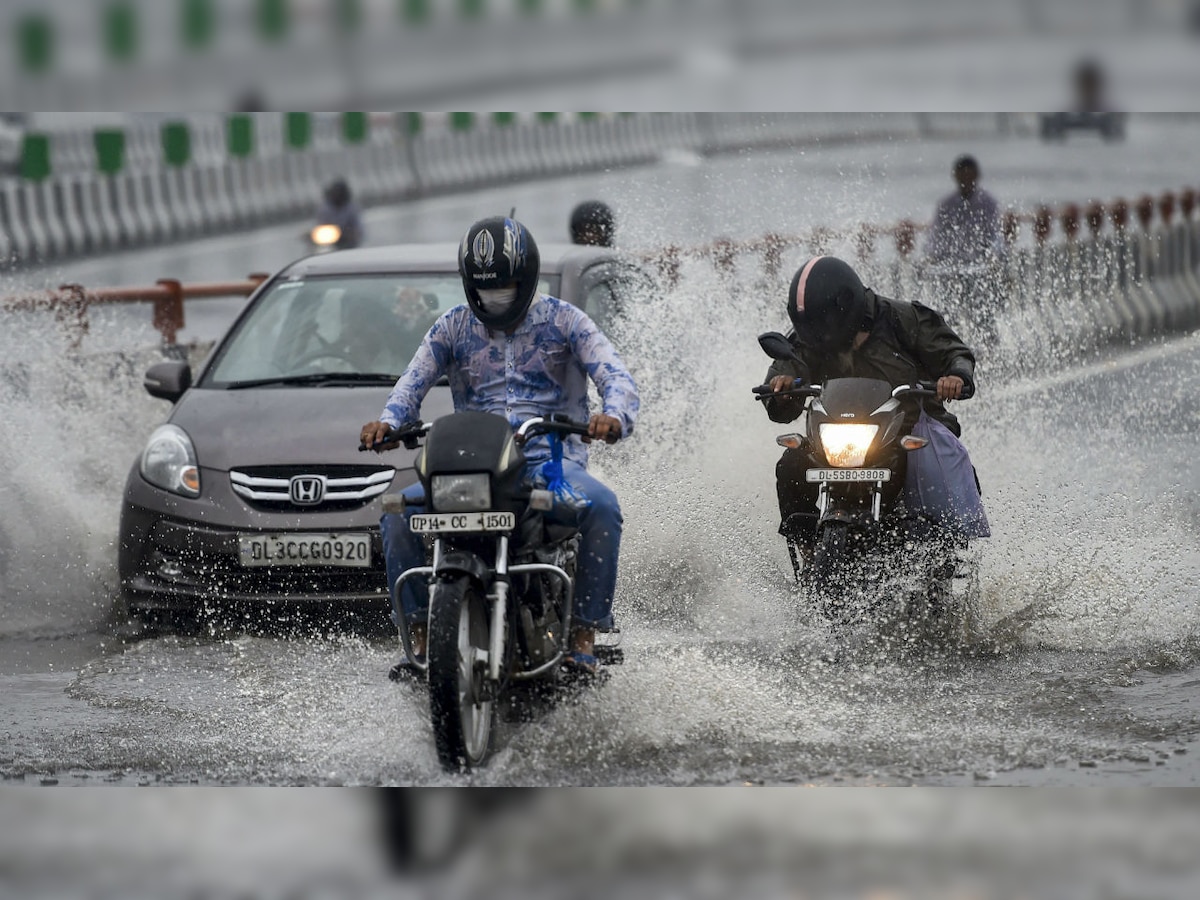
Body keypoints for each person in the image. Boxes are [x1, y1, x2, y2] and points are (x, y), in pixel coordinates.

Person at [360, 215, 639, 680]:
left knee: (603, 508)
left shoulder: (566, 320)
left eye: (505, 288)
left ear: (525, 278)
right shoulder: (451, 327)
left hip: (548, 466)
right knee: (395, 514)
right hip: (473, 466)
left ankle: (584, 637)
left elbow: (616, 376)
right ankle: (423, 638)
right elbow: (410, 386)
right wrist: (389, 423)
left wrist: (613, 416)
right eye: (486, 289)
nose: (496, 298)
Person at [761, 256, 978, 556]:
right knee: (792, 463)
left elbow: (954, 351)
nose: (817, 337)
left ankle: (945, 556)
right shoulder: (810, 334)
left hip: (902, 433)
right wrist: (781, 387)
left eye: (822, 327)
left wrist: (955, 375)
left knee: (935, 467)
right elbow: (787, 369)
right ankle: (808, 551)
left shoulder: (903, 319)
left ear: (842, 309)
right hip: (836, 437)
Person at [924, 154, 1002, 267]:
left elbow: (996, 234)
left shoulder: (988, 203)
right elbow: (935, 235)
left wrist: (994, 255)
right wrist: (930, 255)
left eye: (969, 176)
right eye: (963, 176)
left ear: (977, 176)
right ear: (955, 176)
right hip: (951, 262)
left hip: (982, 261)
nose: (966, 181)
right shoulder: (945, 204)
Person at [315, 178, 364, 250]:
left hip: (348, 239)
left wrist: (352, 233)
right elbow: (320, 222)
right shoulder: (325, 208)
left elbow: (357, 225)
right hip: (329, 237)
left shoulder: (351, 207)